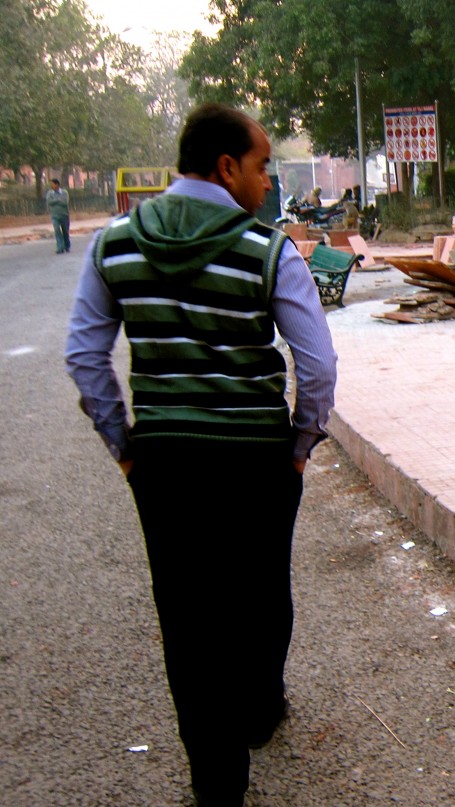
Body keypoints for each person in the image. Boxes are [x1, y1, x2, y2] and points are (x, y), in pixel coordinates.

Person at [65, 103, 338, 807]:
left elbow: (84, 356)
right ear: (226, 167)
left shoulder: (114, 244)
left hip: (168, 466)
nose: (267, 178)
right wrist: (301, 446)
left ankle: (217, 785)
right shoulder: (267, 250)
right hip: (255, 462)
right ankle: (257, 706)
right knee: (258, 587)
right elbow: (319, 364)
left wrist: (127, 449)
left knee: (187, 617)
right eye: (261, 165)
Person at [46, 177, 71, 253]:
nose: (51, 186)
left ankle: (67, 246)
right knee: (57, 230)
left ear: (57, 185)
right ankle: (60, 247)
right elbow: (49, 202)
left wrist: (55, 202)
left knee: (65, 231)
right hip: (54, 215)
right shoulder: (50, 193)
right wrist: (59, 200)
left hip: (64, 215)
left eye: (53, 184)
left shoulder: (64, 192)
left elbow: (65, 202)